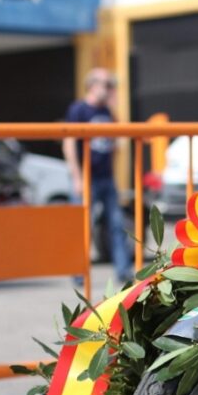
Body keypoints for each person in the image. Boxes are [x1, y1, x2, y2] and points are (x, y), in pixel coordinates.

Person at [63, 68, 131, 286]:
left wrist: (115, 102)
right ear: (92, 85)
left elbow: (117, 142)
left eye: (112, 85)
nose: (110, 89)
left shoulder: (108, 112)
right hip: (87, 177)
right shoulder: (79, 110)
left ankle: (124, 270)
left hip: (106, 178)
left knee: (117, 224)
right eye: (107, 84)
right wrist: (77, 177)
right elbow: (69, 143)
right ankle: (78, 272)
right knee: (83, 226)